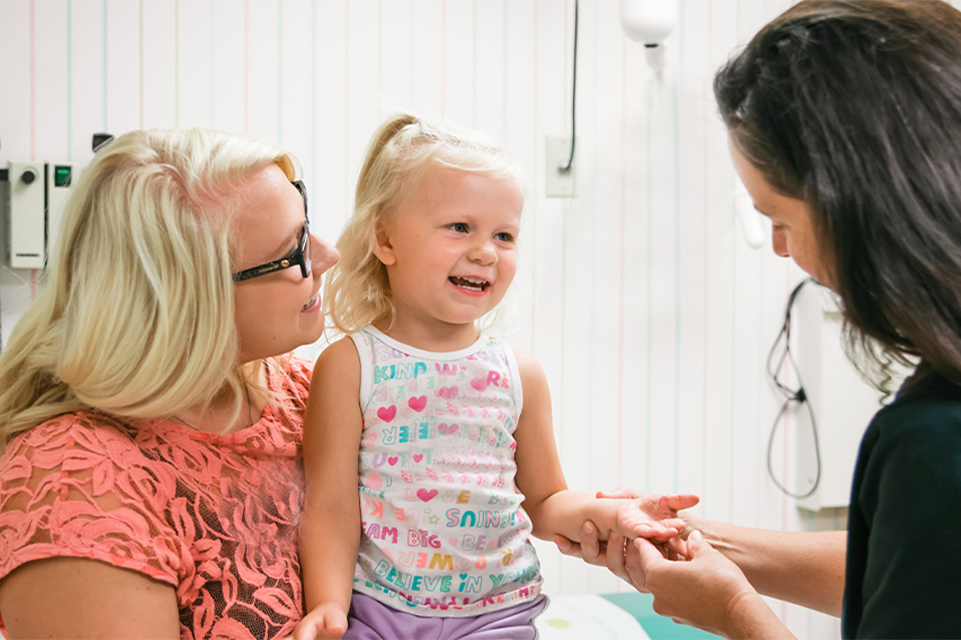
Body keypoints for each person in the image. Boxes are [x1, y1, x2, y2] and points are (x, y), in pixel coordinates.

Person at [556, 1, 961, 638]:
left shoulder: (934, 442)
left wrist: (738, 617)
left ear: (863, 202)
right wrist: (693, 538)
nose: (780, 250)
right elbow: (921, 564)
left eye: (779, 219)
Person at [291, 114, 697, 640]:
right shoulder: (350, 365)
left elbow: (547, 501)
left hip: (496, 614)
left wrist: (610, 514)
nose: (486, 251)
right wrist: (328, 603)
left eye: (504, 235)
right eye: (460, 227)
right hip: (378, 610)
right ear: (385, 240)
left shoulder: (517, 373)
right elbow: (330, 505)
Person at [0, 128, 340, 639]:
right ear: (193, 298)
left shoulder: (301, 394)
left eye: (307, 226)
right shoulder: (76, 483)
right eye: (295, 252)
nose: (329, 255)